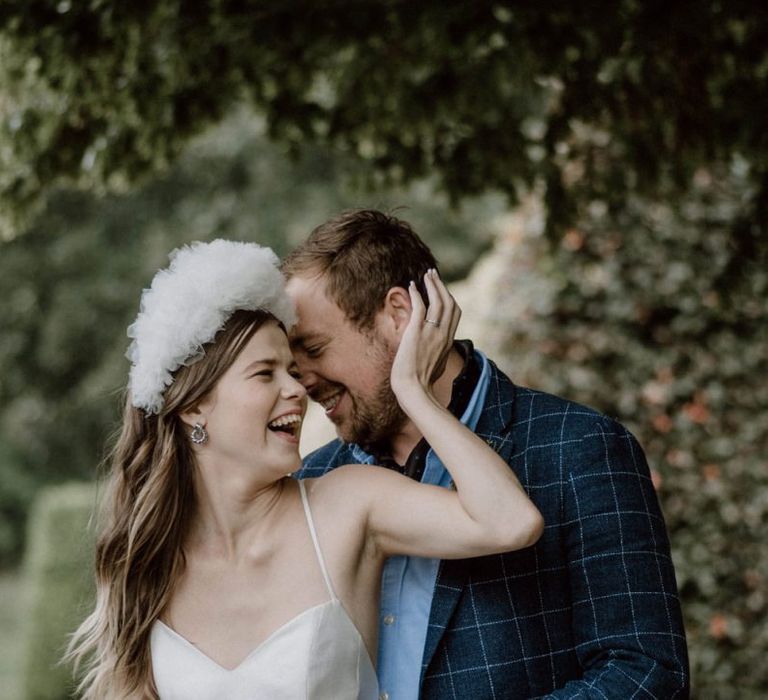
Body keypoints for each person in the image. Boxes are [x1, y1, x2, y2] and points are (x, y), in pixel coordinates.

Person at [67, 239, 543, 699]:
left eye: (292, 371)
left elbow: (510, 522)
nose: (297, 389)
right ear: (194, 407)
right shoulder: (149, 562)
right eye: (265, 373)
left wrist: (412, 391)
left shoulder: (347, 504)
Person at [283, 209, 690, 700]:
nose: (301, 381)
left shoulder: (577, 448)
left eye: (315, 348)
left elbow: (645, 673)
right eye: (290, 362)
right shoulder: (315, 478)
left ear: (398, 315)